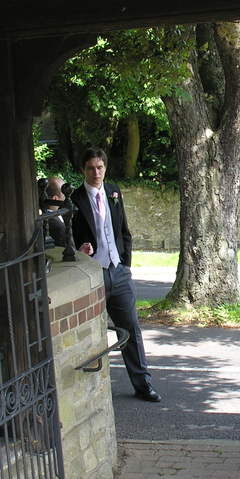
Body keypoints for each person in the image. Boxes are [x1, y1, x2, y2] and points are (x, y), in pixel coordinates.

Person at [70, 147, 161, 403]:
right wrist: (78, 250)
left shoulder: (113, 191)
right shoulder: (74, 199)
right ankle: (90, 391)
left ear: (105, 167)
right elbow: (67, 237)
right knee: (90, 332)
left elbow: (123, 231)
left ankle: (143, 384)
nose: (96, 173)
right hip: (93, 273)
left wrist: (125, 264)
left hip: (118, 271)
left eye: (99, 167)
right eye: (90, 168)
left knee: (131, 329)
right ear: (83, 170)